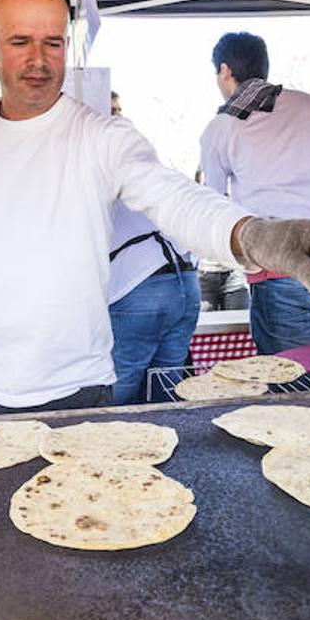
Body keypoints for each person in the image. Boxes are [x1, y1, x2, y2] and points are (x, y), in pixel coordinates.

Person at [0, 0, 310, 418]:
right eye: (20, 42)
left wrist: (252, 234)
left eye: (53, 43)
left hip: (75, 389)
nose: (38, 60)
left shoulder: (101, 136)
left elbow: (174, 198)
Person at [200, 31, 310, 367]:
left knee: (292, 385)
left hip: (279, 265)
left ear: (225, 70)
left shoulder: (222, 126)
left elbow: (212, 204)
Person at [106, 95, 201, 405]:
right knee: (166, 392)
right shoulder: (143, 155)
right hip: (185, 279)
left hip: (138, 283)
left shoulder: (95, 156)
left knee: (119, 393)